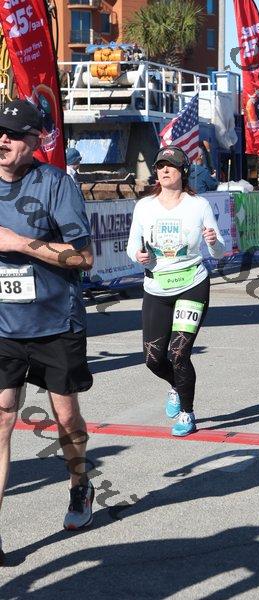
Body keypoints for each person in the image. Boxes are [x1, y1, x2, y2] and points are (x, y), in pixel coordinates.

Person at [0, 99, 94, 565]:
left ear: (35, 141)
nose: (2, 140)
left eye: (13, 134)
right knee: (2, 418)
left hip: (56, 321)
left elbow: (84, 258)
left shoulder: (55, 184)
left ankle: (79, 485)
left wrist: (18, 244)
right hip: (3, 326)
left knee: (66, 418)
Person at [127, 146, 225, 436]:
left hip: (192, 284)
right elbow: (132, 246)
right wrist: (138, 256)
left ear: (184, 171)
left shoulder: (199, 205)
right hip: (156, 287)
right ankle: (175, 385)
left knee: (179, 353)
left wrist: (213, 242)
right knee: (153, 359)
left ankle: (187, 413)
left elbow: (220, 251)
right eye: (160, 166)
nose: (165, 170)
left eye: (171, 165)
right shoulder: (144, 206)